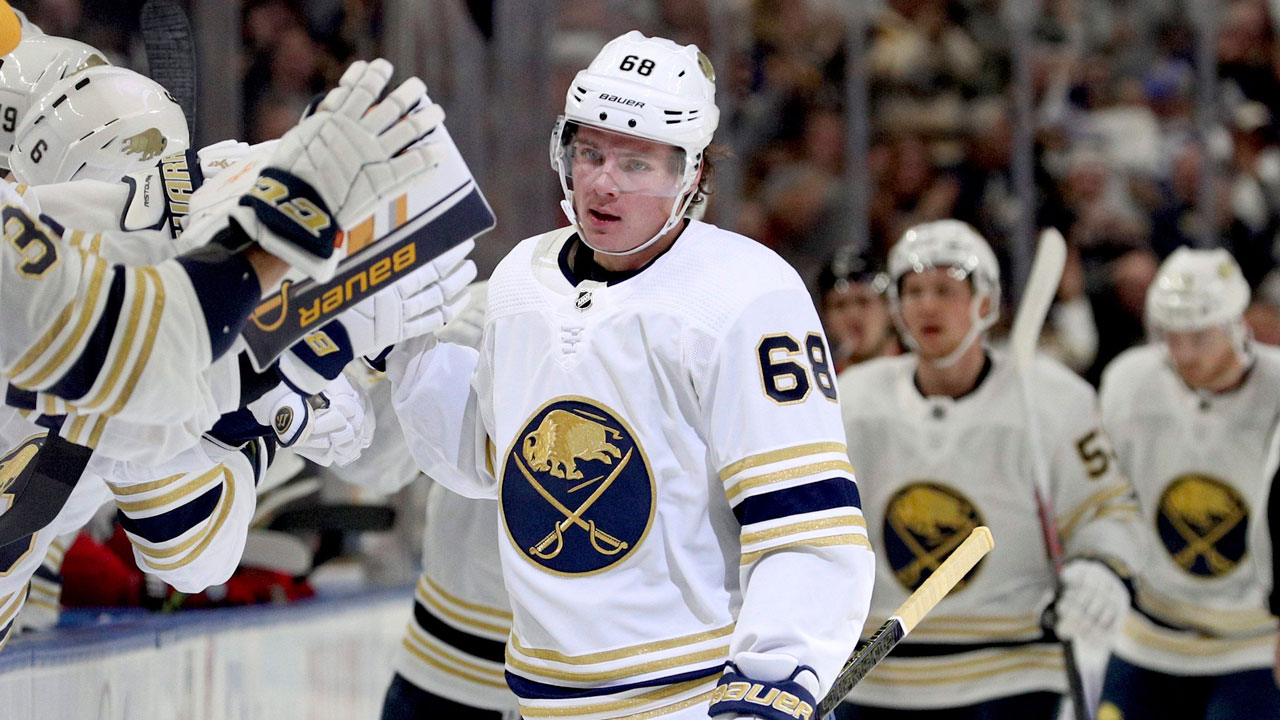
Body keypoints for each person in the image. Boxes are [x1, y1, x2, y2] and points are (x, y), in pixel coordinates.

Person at [388, 30, 875, 720]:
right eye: (589, 153)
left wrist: (772, 678)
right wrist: (401, 347)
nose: (602, 182)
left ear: (692, 175)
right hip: (538, 703)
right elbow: (491, 462)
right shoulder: (522, 279)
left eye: (636, 162)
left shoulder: (750, 295)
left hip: (690, 701)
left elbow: (804, 520)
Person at [835, 220, 1143, 719]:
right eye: (913, 291)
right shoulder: (850, 401)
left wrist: (1101, 567)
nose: (927, 306)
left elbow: (1109, 510)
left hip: (1013, 664)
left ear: (985, 303)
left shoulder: (1053, 400)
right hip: (876, 671)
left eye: (945, 290)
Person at [1096, 248, 1280, 719]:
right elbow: (1101, 495)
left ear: (1236, 325)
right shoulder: (1129, 380)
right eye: (1171, 336)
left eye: (1198, 336)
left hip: (1251, 641)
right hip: (1150, 630)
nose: (1183, 353)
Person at [816, 245, 901, 374]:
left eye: (863, 301)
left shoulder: (925, 375)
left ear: (890, 308)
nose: (852, 315)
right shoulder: (821, 382)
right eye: (840, 305)